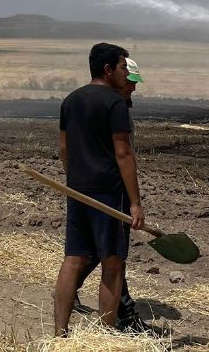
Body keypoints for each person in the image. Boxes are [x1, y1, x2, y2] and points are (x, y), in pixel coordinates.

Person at [54, 43, 145, 337]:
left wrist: (76, 180)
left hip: (77, 190)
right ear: (107, 70)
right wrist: (134, 203)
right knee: (112, 262)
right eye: (122, 67)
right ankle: (106, 337)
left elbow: (64, 148)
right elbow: (123, 154)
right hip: (108, 192)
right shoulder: (113, 103)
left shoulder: (70, 100)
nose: (124, 73)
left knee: (74, 259)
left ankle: (60, 334)